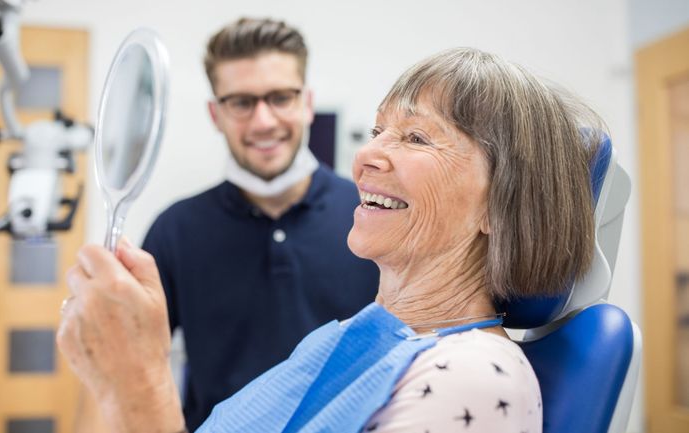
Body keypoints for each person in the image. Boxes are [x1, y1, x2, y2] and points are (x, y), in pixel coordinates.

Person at [58, 47, 604, 433]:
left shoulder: (471, 382)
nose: (366, 156)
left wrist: (139, 393)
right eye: (376, 132)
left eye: (415, 136)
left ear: (500, 201)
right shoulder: (359, 340)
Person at [73, 17, 380, 432]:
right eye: (241, 102)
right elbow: (128, 360)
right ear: (216, 114)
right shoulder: (176, 229)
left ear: (306, 103)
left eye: (280, 97)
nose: (263, 121)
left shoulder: (370, 216)